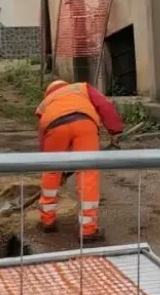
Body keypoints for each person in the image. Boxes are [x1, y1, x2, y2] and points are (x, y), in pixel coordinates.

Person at [34, 79, 124, 241]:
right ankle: (88, 230)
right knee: (87, 172)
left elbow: (42, 134)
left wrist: (49, 162)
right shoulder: (81, 88)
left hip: (54, 126)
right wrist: (115, 130)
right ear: (67, 85)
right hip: (84, 123)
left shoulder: (45, 103)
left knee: (51, 172)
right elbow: (105, 105)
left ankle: (47, 221)